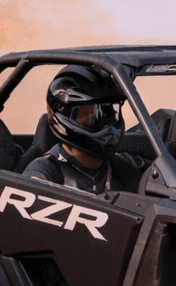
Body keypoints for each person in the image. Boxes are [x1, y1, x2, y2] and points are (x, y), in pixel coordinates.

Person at [23, 65, 147, 193]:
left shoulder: (123, 167)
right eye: (88, 115)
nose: (106, 124)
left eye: (110, 112)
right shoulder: (44, 172)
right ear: (64, 116)